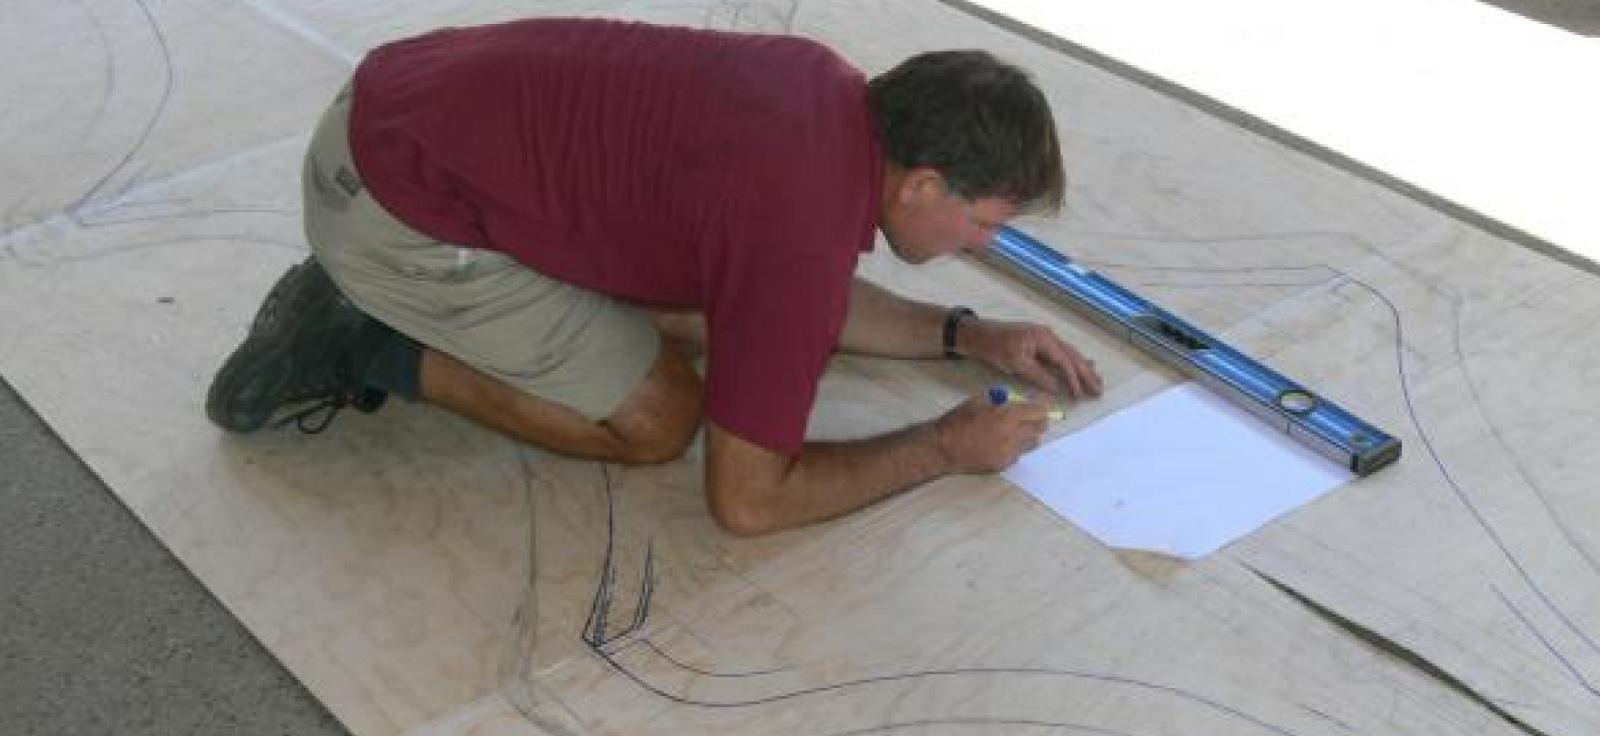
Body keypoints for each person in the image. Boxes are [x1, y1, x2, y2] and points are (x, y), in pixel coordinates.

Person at [205, 17, 1101, 535]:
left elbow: (803, 296)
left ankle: (392, 300)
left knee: (715, 317)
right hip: (393, 213)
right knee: (662, 415)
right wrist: (940, 447)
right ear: (922, 183)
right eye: (982, 223)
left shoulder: (827, 97)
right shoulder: (796, 225)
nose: (980, 244)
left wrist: (965, 333)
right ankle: (366, 338)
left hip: (397, 109)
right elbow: (748, 500)